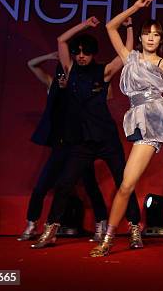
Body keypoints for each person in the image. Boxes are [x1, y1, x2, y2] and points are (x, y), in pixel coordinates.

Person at [89, 0, 163, 257]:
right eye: (147, 33)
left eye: (156, 34)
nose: (151, 38)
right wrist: (135, 9)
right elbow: (110, 27)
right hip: (144, 122)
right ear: (141, 37)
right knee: (126, 184)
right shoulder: (129, 58)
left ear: (160, 39)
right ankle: (108, 239)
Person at [31, 17, 143, 249]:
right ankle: (51, 229)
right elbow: (61, 40)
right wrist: (84, 24)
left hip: (106, 138)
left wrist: (129, 28)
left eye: (86, 52)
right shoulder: (69, 71)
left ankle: (134, 228)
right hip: (81, 140)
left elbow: (127, 53)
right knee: (64, 184)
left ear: (93, 54)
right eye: (78, 52)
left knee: (124, 182)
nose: (81, 55)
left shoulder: (103, 71)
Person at [18, 51, 108, 242]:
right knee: (41, 186)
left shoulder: (81, 90)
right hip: (61, 146)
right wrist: (48, 57)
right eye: (59, 75)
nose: (61, 79)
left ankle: (101, 225)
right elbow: (31, 63)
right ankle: (31, 223)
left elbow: (104, 95)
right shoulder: (53, 87)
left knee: (91, 186)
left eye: (65, 75)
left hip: (81, 147)